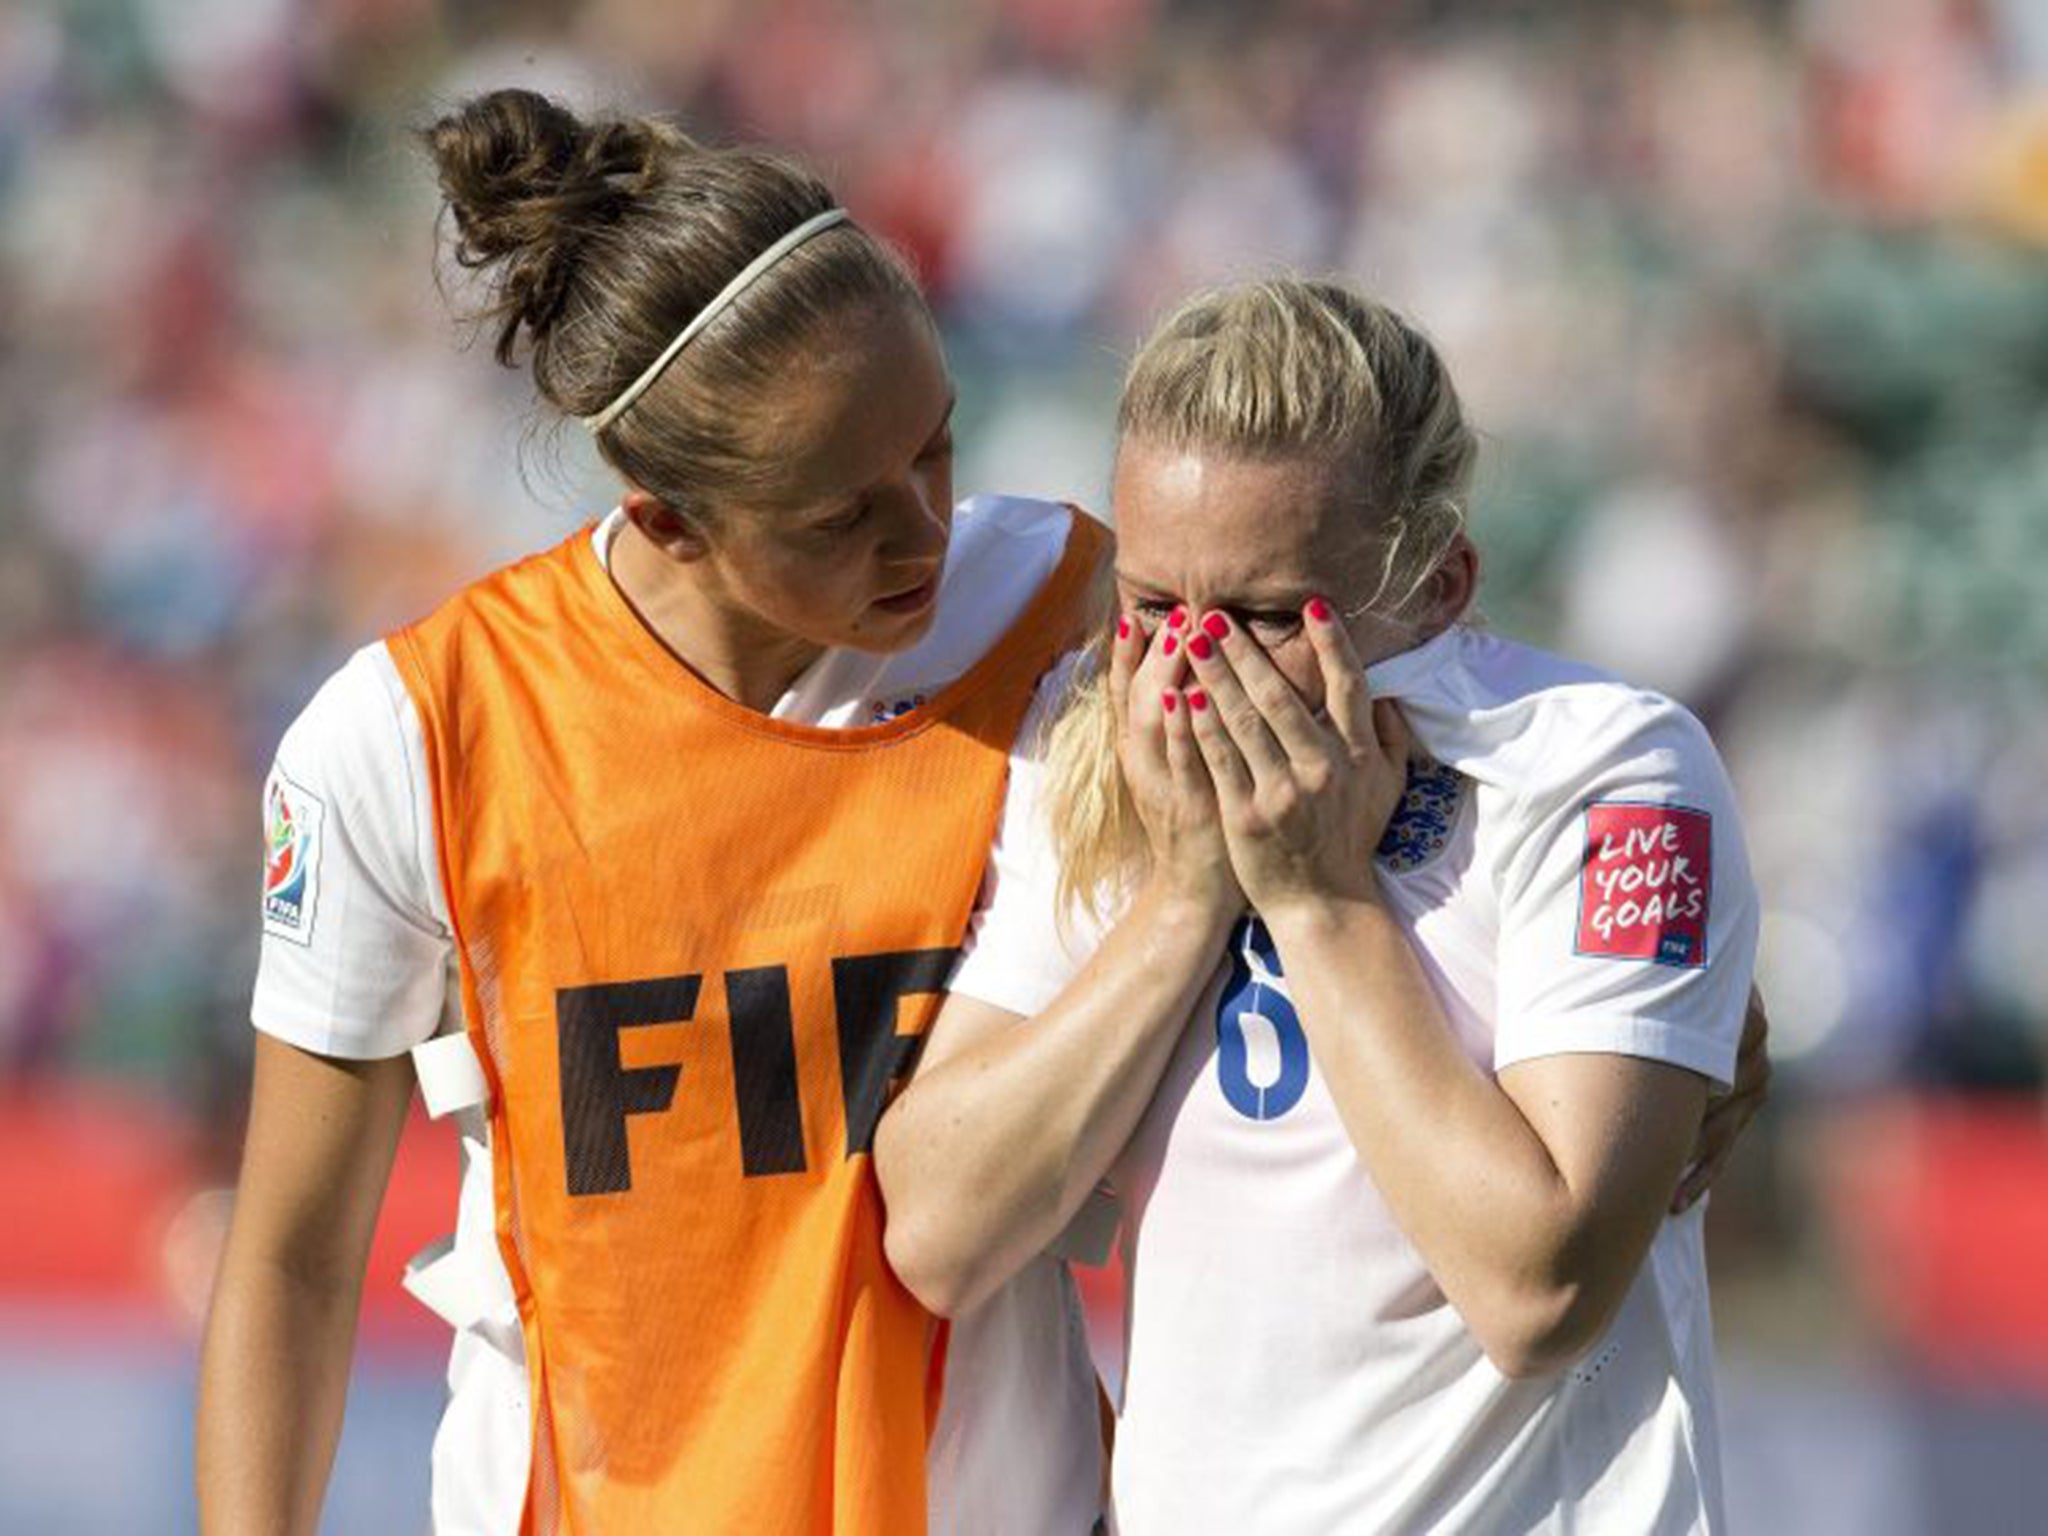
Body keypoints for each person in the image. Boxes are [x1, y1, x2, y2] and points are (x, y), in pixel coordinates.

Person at [194, 88, 1108, 1535]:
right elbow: (296, 1259)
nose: (925, 529)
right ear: (665, 513)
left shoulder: (1059, 608)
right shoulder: (414, 738)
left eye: (937, 448)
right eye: (840, 511)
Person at [876, 277, 1766, 1533]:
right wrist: (1186, 896)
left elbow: (1536, 1292)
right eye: (1149, 607)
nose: (1192, 669)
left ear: (1441, 586)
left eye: (1257, 618)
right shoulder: (1101, 743)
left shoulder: (1604, 774)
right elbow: (940, 1229)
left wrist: (1318, 901)